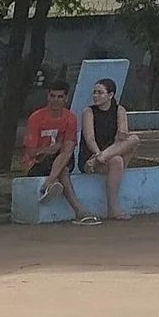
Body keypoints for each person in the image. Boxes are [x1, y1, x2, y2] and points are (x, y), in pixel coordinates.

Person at [21, 79, 95, 223]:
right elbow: (31, 153)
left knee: (65, 156)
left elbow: (68, 148)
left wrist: (57, 151)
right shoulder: (36, 118)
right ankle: (79, 211)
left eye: (60, 97)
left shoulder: (70, 118)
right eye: (52, 96)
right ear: (48, 97)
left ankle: (50, 182)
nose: (55, 100)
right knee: (64, 170)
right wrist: (50, 149)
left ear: (66, 98)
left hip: (61, 159)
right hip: (38, 163)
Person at [80, 77, 140, 221]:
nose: (96, 96)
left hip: (110, 153)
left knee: (134, 139)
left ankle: (103, 156)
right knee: (117, 160)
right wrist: (97, 154)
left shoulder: (119, 110)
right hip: (92, 156)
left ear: (110, 95)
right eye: (94, 92)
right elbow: (90, 139)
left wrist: (121, 133)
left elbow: (122, 137)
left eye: (100, 92)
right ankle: (113, 209)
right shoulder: (89, 112)